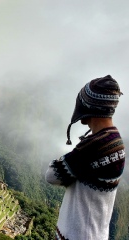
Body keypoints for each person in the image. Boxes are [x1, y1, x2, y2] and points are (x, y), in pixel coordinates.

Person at [45, 75, 125, 240]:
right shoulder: (116, 140)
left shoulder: (93, 147)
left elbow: (52, 176)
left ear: (89, 107)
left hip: (77, 234)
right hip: (97, 234)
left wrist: (71, 155)